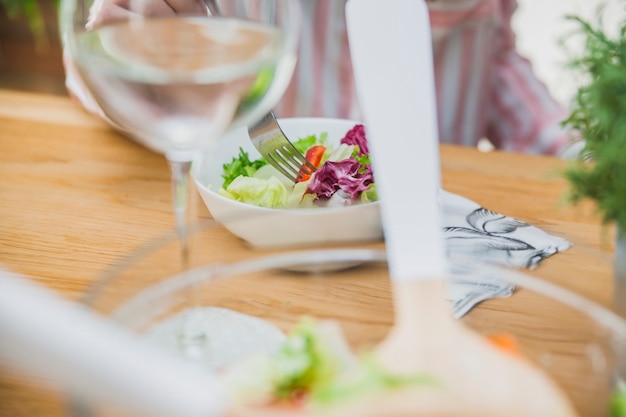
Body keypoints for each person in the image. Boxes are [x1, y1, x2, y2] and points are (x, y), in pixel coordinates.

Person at [64, 0, 579, 158]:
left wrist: (584, 155)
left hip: (426, 255)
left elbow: (498, 60)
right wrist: (133, 68)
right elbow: (103, 58)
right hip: (248, 238)